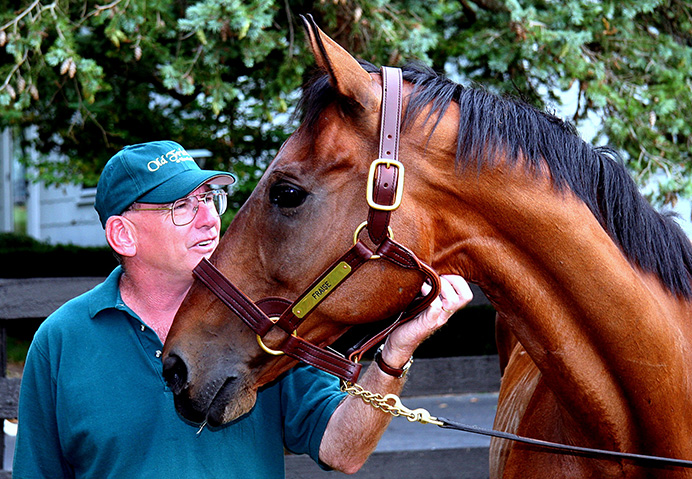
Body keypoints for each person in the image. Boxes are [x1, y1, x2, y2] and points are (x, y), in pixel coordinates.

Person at [12, 140, 472, 478]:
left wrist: (396, 352)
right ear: (123, 235)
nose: (210, 218)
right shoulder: (61, 340)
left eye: (209, 199)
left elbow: (342, 449)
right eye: (181, 206)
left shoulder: (262, 322)